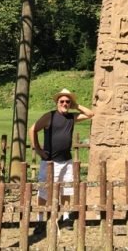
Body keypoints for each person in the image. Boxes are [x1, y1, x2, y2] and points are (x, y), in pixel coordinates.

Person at [29, 88, 94, 234]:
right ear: (57, 103)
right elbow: (32, 129)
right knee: (44, 190)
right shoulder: (49, 116)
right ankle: (40, 220)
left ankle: (65, 218)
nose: (64, 103)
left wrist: (76, 105)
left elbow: (90, 114)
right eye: (62, 101)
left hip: (66, 160)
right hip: (50, 161)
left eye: (67, 101)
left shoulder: (71, 118)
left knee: (66, 189)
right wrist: (37, 149)